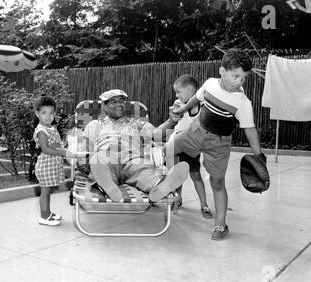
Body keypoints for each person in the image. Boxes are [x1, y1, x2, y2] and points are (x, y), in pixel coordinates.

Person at [165, 48, 266, 240]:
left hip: (218, 144)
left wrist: (259, 155)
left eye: (243, 78)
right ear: (222, 71)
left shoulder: (242, 102)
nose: (239, 81)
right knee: (168, 148)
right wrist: (184, 109)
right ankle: (156, 182)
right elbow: (198, 97)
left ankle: (220, 225)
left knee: (217, 182)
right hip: (196, 131)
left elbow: (250, 129)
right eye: (235, 75)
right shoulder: (210, 84)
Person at [82, 89, 190, 203]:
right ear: (105, 107)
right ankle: (107, 186)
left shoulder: (137, 124)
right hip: (107, 157)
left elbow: (156, 135)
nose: (119, 104)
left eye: (121, 101)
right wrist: (87, 162)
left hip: (133, 159)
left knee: (144, 169)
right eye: (113, 102)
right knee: (100, 162)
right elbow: (85, 149)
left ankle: (159, 187)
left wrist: (171, 121)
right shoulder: (94, 125)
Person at [166, 74, 212, 219]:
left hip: (192, 146)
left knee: (195, 175)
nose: (176, 95)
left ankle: (204, 204)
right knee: (177, 175)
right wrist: (174, 111)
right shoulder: (179, 104)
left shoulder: (202, 106)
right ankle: (177, 199)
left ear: (191, 90)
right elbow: (174, 117)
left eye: (179, 91)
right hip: (176, 143)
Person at [33, 95, 76, 226]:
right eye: (44, 113)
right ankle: (44, 216)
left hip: (52, 165)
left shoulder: (51, 128)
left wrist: (64, 145)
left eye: (51, 113)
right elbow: (45, 149)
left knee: (49, 190)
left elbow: (55, 144)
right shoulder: (41, 130)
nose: (48, 116)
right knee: (45, 191)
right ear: (37, 114)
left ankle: (48, 213)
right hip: (45, 165)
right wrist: (62, 151)